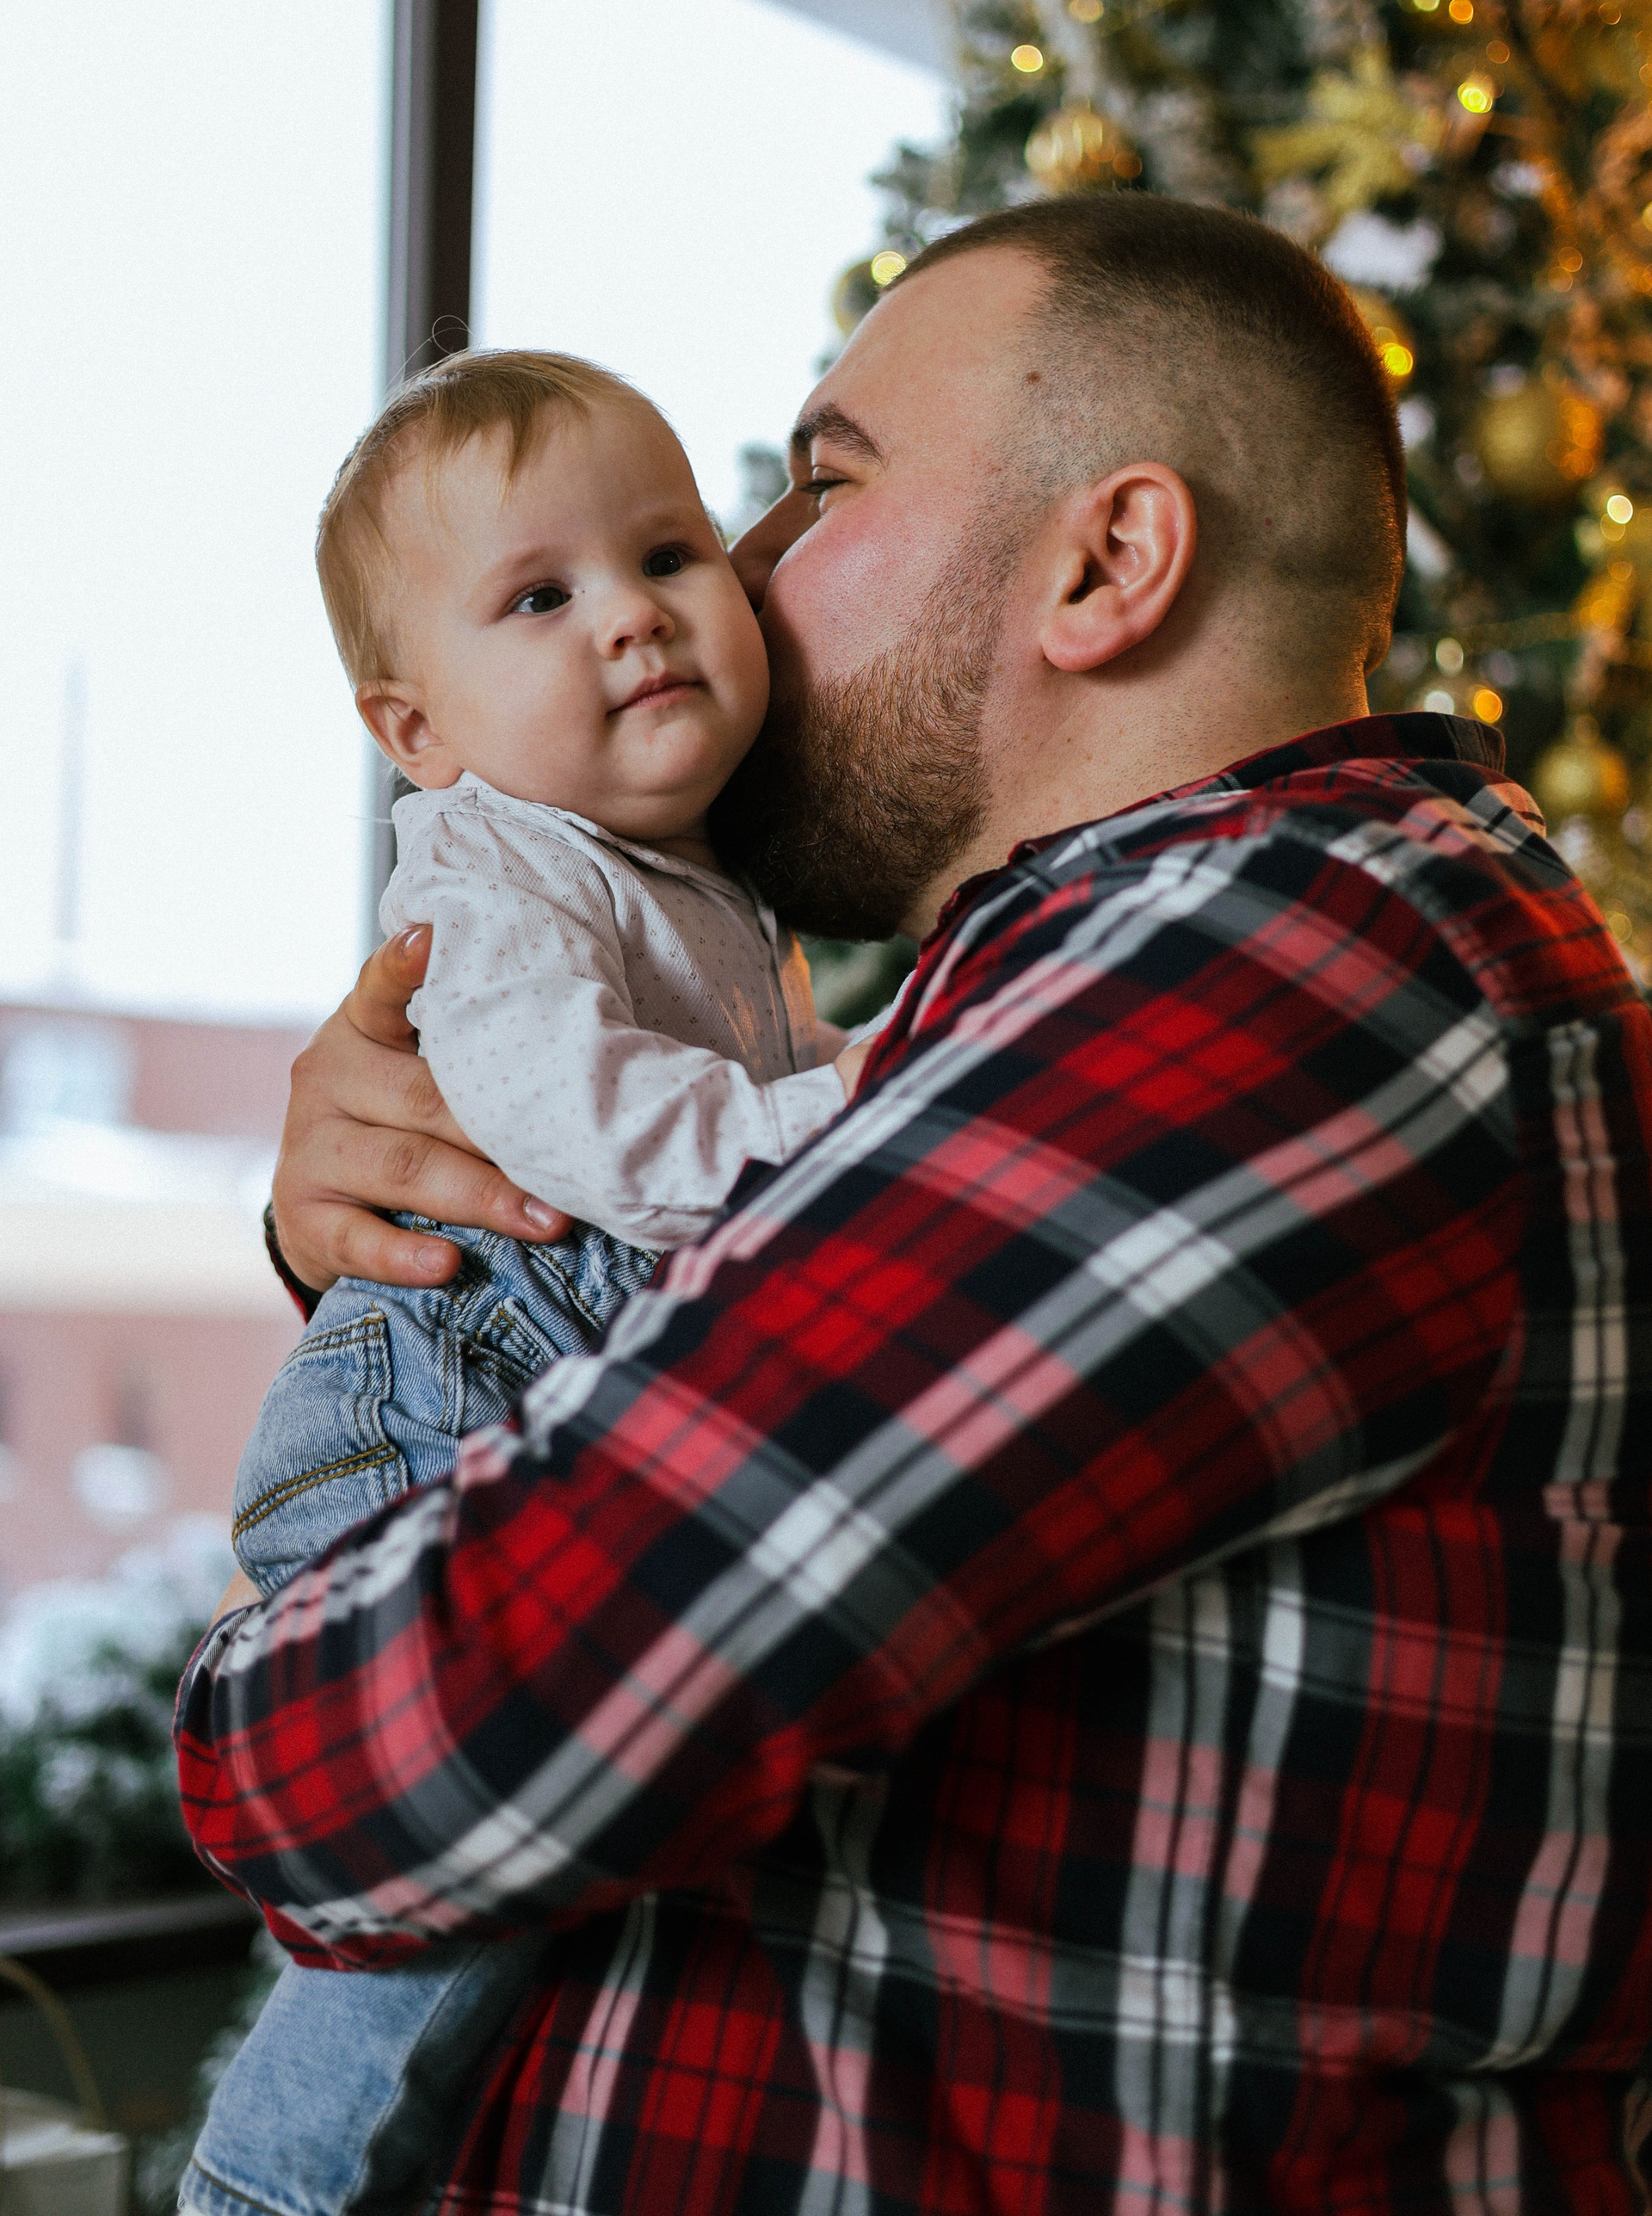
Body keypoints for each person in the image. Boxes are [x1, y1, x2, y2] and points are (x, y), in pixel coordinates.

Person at [177, 194, 1652, 2214]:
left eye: (822, 484)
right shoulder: (1116, 977)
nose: (740, 571)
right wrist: (417, 1245)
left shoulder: (1264, 979)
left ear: (1107, 565)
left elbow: (399, 1760)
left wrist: (277, 1656)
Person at [188, 350, 871, 2216]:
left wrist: (840, 1068)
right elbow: (592, 1125)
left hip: (516, 1380)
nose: (635, 615)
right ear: (416, 730)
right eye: (543, 597)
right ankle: (265, 2190)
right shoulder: (490, 870)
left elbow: (735, 1091)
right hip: (435, 1397)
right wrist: (857, 1109)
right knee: (445, 1890)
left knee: (531, 1865)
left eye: (670, 554)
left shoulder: (694, 873)